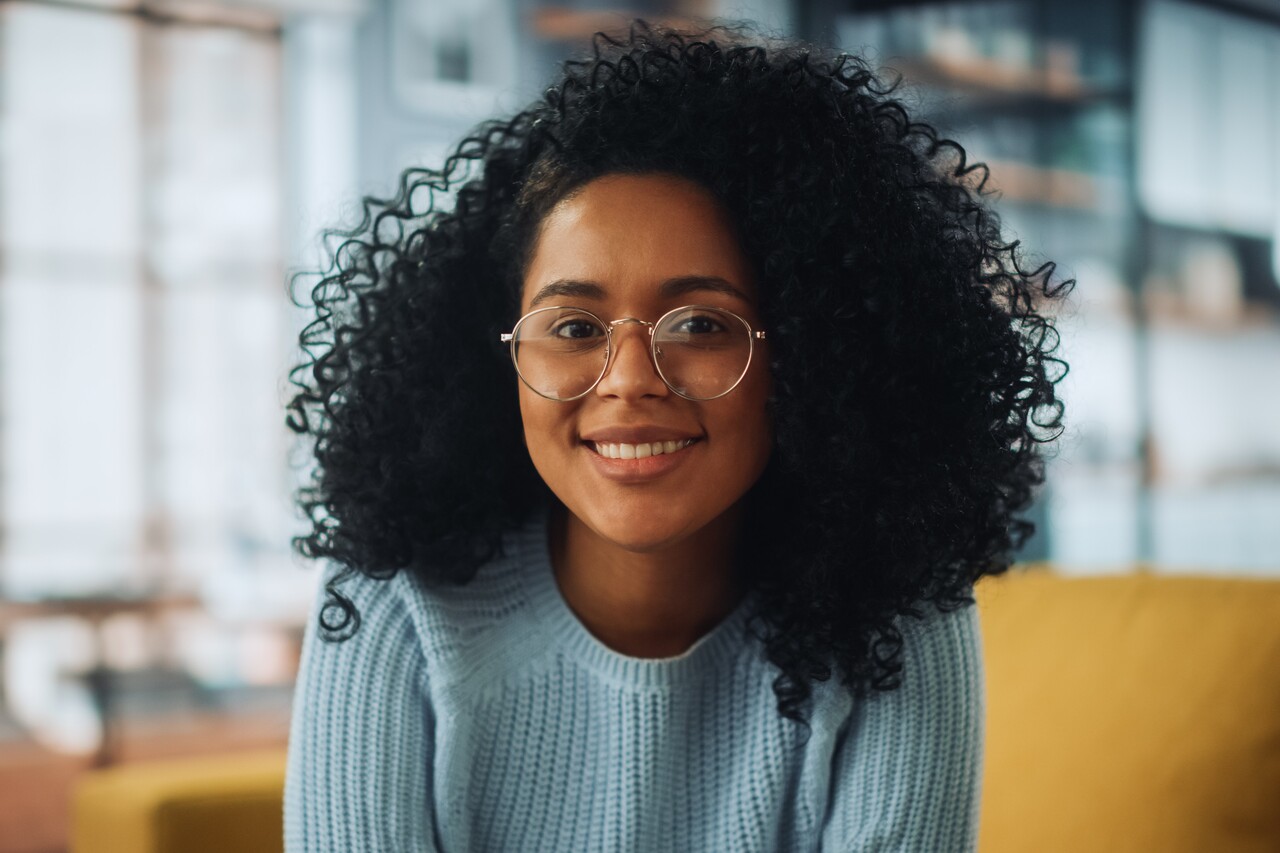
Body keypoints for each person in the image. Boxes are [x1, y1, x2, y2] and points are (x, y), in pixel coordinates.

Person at [282, 21, 1069, 852]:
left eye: (699, 322)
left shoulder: (892, 613)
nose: (628, 377)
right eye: (574, 324)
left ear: (810, 352)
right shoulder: (393, 602)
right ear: (500, 356)